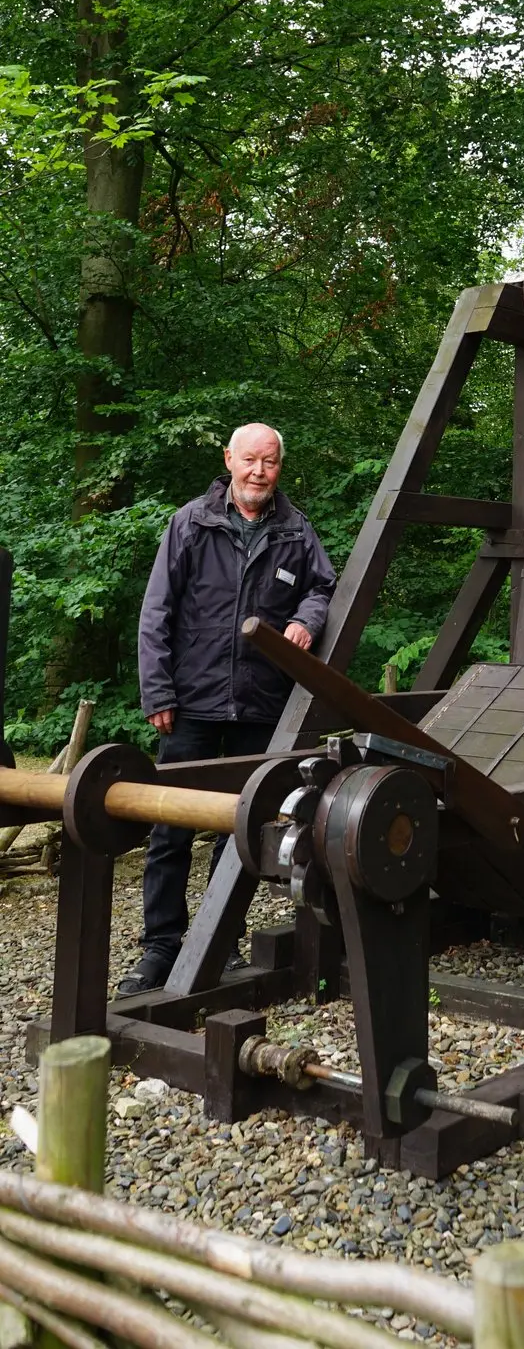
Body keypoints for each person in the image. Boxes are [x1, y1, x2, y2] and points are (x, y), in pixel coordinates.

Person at [117, 422, 336, 995]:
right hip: (190, 701)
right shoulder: (190, 523)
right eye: (250, 460)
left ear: (279, 467)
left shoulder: (296, 531)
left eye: (270, 461)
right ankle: (160, 948)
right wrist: (158, 692)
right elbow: (156, 610)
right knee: (170, 827)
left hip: (261, 702)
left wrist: (305, 619)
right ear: (229, 460)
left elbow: (323, 588)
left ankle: (221, 941)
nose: (260, 471)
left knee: (238, 831)